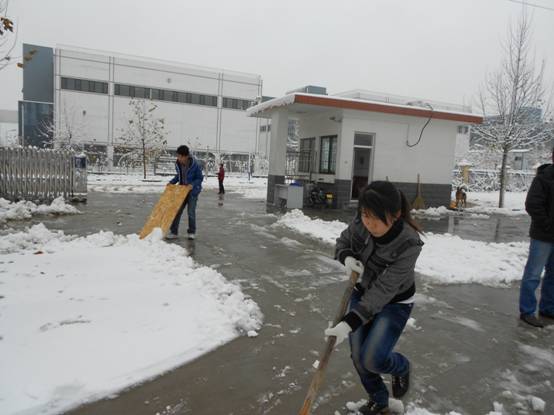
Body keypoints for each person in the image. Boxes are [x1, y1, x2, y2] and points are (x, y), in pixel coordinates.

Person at [325, 181, 423, 415]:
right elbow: (343, 242)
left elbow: (384, 290)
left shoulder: (409, 244)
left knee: (373, 359)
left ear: (396, 215)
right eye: (365, 214)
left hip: (394, 303)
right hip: (362, 292)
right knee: (359, 358)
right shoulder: (362, 223)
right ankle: (379, 399)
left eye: (376, 218)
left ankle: (401, 367)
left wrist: (349, 322)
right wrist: (347, 257)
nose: (369, 223)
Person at [519, 149, 554, 328]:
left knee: (553, 275)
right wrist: (548, 225)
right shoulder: (544, 178)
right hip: (543, 236)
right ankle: (527, 311)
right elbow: (532, 204)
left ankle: (548, 308)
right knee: (533, 274)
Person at [166, 145, 203, 240]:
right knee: (177, 211)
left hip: (192, 192)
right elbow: (179, 176)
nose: (178, 158)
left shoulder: (195, 164)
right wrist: (171, 182)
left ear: (186, 156)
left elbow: (200, 178)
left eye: (180, 156)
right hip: (182, 191)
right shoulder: (178, 164)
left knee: (191, 212)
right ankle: (174, 232)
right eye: (177, 156)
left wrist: (192, 185)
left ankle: (191, 232)